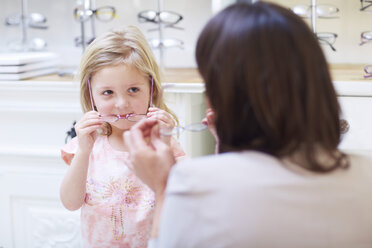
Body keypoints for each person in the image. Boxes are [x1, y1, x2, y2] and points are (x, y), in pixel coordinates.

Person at [124, 2, 372, 248]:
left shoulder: (194, 185)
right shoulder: (365, 177)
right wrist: (226, 146)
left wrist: (163, 188)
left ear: (224, 92)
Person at [59, 26, 185, 247]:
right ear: (92, 96)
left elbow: (186, 200)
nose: (122, 104)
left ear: (151, 90)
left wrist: (164, 146)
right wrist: (84, 152)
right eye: (108, 92)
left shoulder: (165, 144)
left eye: (133, 90)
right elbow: (70, 203)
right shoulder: (85, 147)